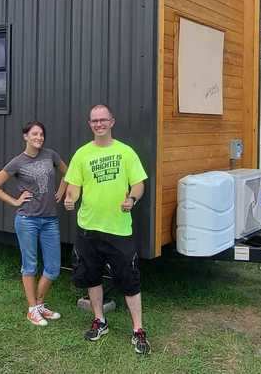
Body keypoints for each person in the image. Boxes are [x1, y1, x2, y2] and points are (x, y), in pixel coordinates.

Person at [63, 104, 150, 354]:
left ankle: (138, 329)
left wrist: (131, 200)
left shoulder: (126, 153)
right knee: (92, 276)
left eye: (103, 120)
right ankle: (100, 320)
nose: (99, 124)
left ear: (112, 122)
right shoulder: (81, 154)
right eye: (94, 121)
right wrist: (70, 198)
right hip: (88, 228)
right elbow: (75, 186)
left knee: (129, 279)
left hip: (118, 228)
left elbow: (139, 184)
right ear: (90, 124)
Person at [0, 121, 68, 326]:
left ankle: (39, 304)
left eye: (41, 134)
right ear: (25, 136)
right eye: (34, 134)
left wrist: (61, 190)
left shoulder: (51, 155)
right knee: (29, 265)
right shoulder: (17, 162)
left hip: (49, 219)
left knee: (53, 267)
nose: (39, 137)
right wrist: (14, 201)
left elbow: (69, 173)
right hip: (27, 220)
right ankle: (32, 309)